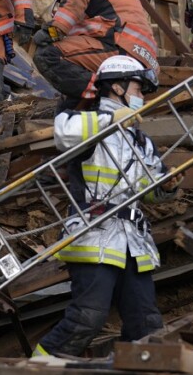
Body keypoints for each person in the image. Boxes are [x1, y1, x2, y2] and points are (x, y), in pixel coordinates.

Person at [33, 55, 179, 358]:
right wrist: (111, 119)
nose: (142, 97)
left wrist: (167, 187)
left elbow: (149, 190)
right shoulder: (85, 120)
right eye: (138, 89)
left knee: (147, 323)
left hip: (133, 241)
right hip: (94, 233)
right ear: (117, 86)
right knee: (87, 317)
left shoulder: (140, 140)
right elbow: (63, 133)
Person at [30, 0, 159, 109]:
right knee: (67, 103)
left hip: (121, 45)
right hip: (132, 50)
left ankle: (103, 98)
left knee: (47, 56)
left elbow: (75, 1)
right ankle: (83, 106)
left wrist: (52, 31)